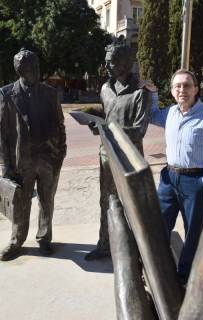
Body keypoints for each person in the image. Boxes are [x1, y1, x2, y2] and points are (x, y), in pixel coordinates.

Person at [150, 69, 203, 283]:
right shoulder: (170, 113)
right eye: (177, 86)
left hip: (194, 181)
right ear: (173, 91)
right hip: (169, 178)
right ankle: (158, 268)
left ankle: (184, 276)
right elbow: (152, 114)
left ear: (196, 89)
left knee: (192, 232)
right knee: (159, 224)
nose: (182, 89)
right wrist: (153, 93)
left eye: (186, 85)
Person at [0, 49, 66, 261]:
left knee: (47, 200)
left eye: (37, 66)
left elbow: (60, 124)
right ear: (20, 70)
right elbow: (2, 133)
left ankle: (44, 238)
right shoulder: (6, 94)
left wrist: (60, 152)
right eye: (30, 67)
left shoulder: (50, 92)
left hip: (48, 158)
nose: (36, 70)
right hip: (22, 162)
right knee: (21, 203)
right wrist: (6, 166)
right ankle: (17, 241)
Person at [85, 42, 152, 261]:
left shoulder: (141, 92)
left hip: (129, 159)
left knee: (131, 204)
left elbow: (139, 131)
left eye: (111, 61)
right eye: (106, 60)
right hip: (106, 155)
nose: (106, 65)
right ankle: (104, 244)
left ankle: (134, 250)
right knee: (106, 201)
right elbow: (107, 117)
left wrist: (109, 129)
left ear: (126, 63)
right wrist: (95, 123)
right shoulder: (105, 88)